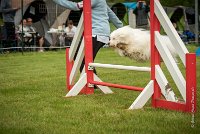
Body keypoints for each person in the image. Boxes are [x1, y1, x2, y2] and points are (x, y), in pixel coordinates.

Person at [53, 0, 123, 73]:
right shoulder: (101, 1)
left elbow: (75, 6)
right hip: (100, 33)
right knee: (83, 58)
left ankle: (92, 82)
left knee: (82, 59)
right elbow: (112, 16)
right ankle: (92, 81)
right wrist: (122, 27)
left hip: (97, 33)